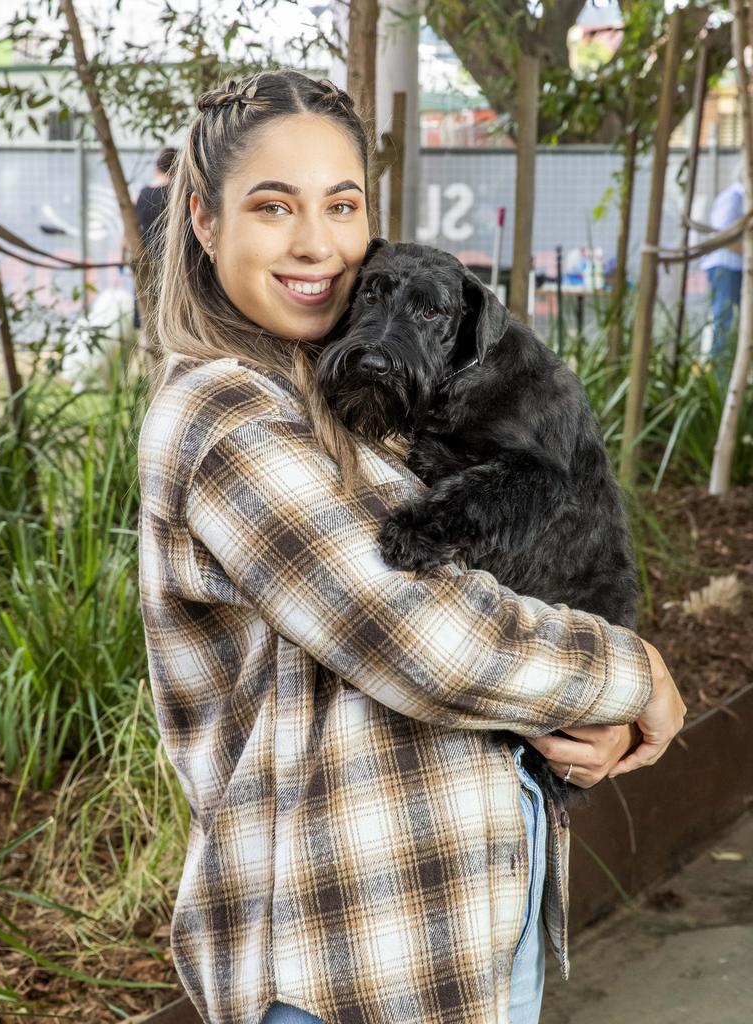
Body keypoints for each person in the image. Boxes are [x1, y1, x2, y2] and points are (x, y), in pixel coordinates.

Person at [137, 69, 686, 1024]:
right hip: (344, 963)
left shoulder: (343, 405)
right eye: (272, 206)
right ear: (203, 219)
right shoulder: (227, 415)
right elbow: (428, 641)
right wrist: (634, 675)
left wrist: (570, 731)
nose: (316, 243)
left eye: (340, 205)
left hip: (457, 931)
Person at [128, 146, 178, 328]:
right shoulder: (178, 194)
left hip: (146, 258)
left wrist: (124, 254)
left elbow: (128, 230)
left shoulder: (141, 194)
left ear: (157, 167)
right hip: (172, 260)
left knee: (147, 315)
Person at [700, 168, 744, 362]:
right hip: (725, 267)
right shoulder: (733, 197)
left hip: (740, 268)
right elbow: (722, 235)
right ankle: (716, 372)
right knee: (723, 319)